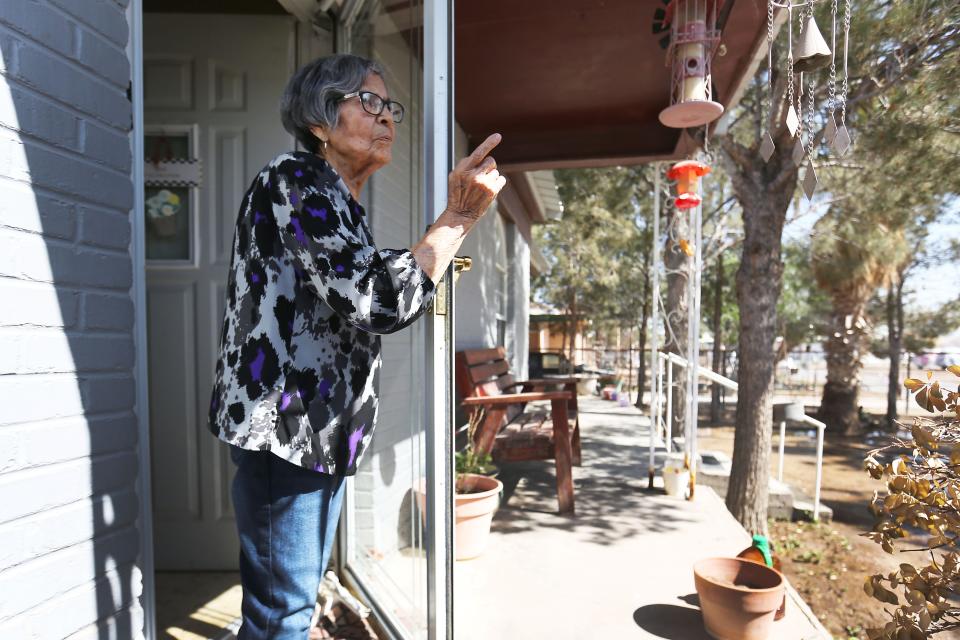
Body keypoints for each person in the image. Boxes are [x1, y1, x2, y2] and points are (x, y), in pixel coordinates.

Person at [206, 53, 505, 638]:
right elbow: (377, 300)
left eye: (390, 106)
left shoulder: (338, 201)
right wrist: (457, 218)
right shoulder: (295, 181)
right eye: (368, 102)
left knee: (290, 604)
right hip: (284, 436)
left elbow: (365, 297)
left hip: (317, 437)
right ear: (320, 122)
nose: (387, 117)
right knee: (281, 617)